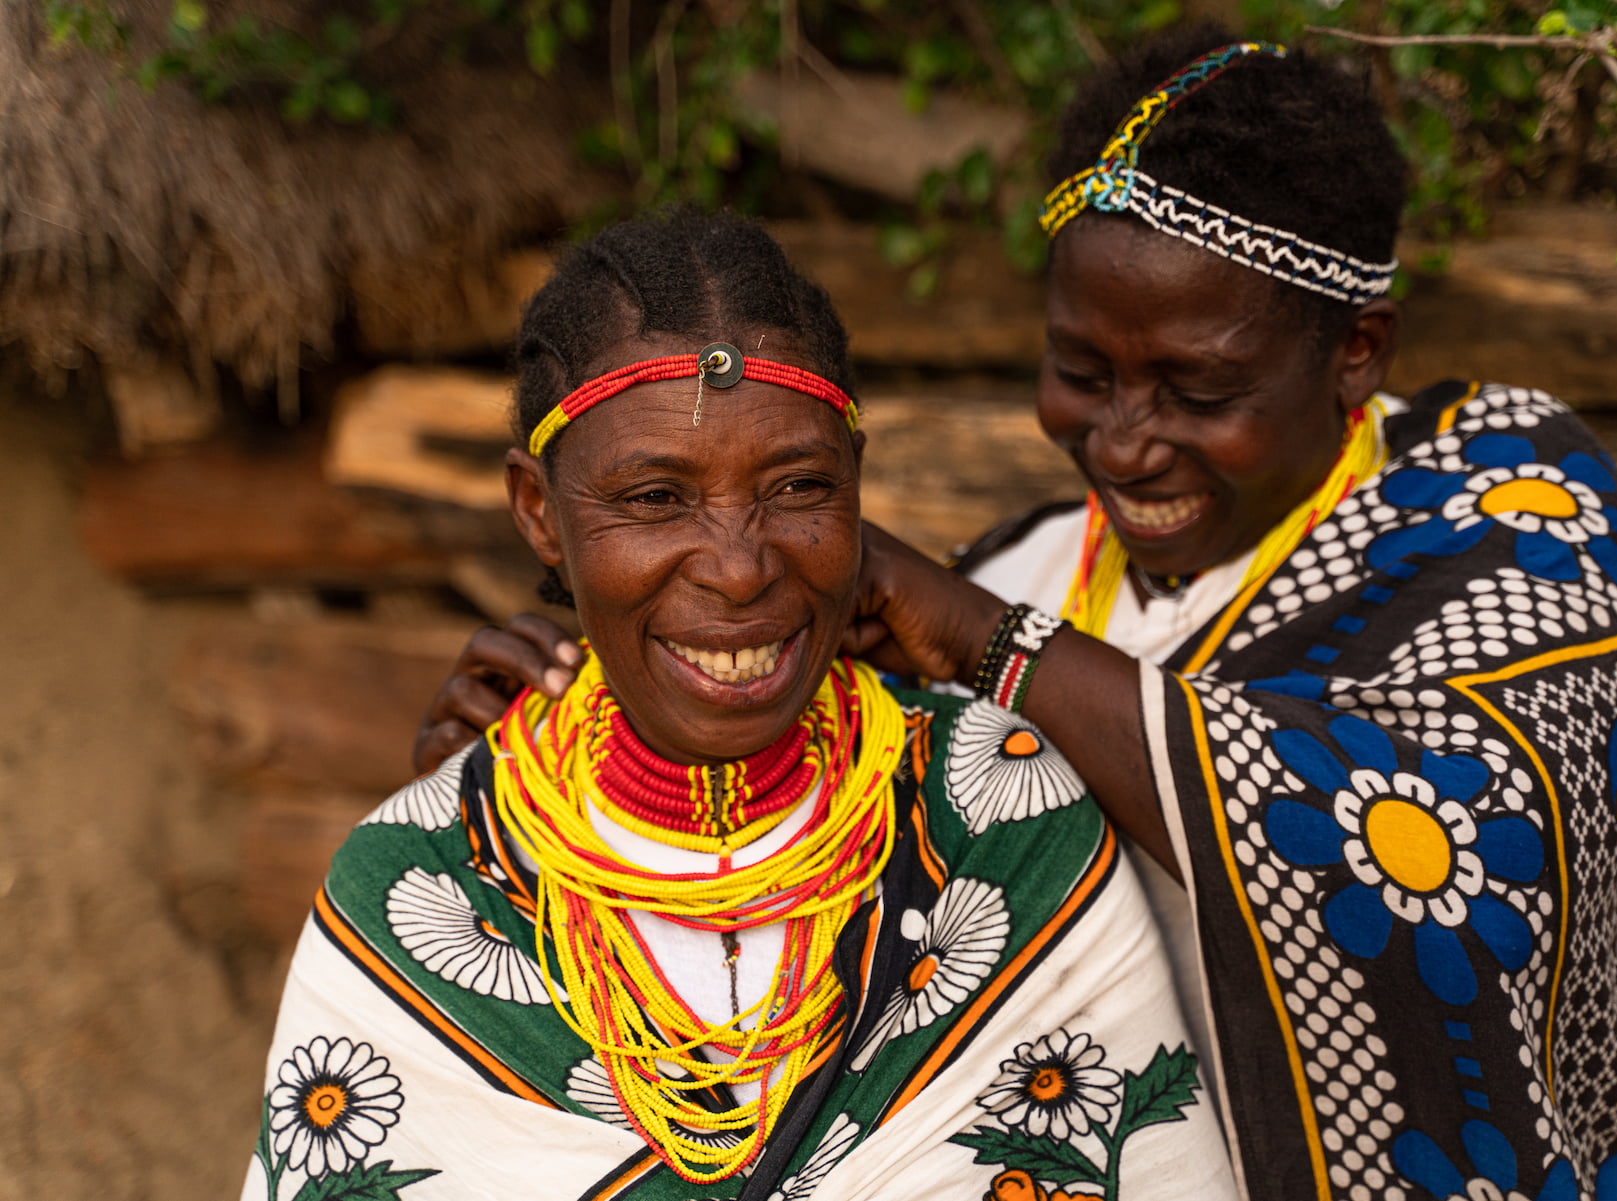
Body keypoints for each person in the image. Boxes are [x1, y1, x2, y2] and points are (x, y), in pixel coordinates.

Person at [419, 29, 1617, 1201]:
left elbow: (1435, 866)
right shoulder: (1028, 565)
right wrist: (525, 794)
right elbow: (816, 861)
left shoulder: (1516, 527)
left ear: (1357, 349)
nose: (1125, 442)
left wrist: (985, 641)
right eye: (1084, 372)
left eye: (1199, 387)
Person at [244, 211, 1232, 1201]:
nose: (738, 566)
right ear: (540, 512)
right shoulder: (409, 885)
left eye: (797, 485)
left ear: (857, 485)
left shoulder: (1001, 816)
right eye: (655, 499)